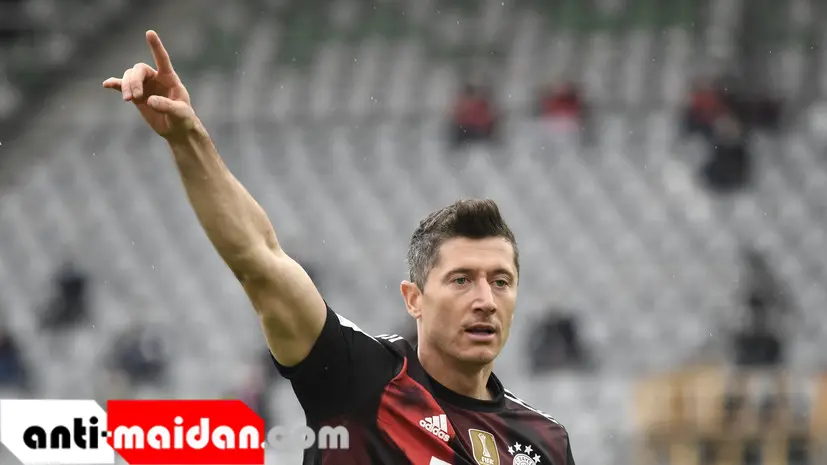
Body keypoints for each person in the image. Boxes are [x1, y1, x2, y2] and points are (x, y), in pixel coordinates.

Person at [104, 31, 576, 465]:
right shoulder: (361, 378)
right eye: (461, 279)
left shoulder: (546, 443)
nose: (485, 300)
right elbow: (260, 259)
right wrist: (188, 140)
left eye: (501, 282)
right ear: (414, 299)